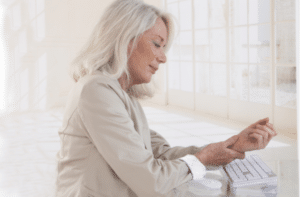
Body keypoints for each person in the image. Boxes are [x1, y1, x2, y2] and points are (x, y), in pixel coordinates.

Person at [55, 0, 277, 196]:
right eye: (157, 44)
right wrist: (202, 160)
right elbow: (151, 181)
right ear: (125, 38)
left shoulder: (121, 95)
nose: (163, 58)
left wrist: (231, 145)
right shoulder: (96, 90)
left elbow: (160, 154)